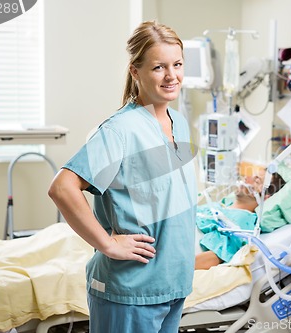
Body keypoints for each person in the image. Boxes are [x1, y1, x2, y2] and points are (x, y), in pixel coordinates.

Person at [48, 21, 197, 333]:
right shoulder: (120, 130)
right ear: (135, 71)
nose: (172, 76)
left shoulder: (179, 123)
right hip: (130, 292)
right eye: (159, 67)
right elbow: (63, 187)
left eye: (178, 64)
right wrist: (108, 244)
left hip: (173, 285)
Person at [195, 170, 286, 270]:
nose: (247, 178)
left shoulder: (242, 221)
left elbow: (215, 256)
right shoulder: (220, 206)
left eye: (257, 181)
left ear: (265, 197)